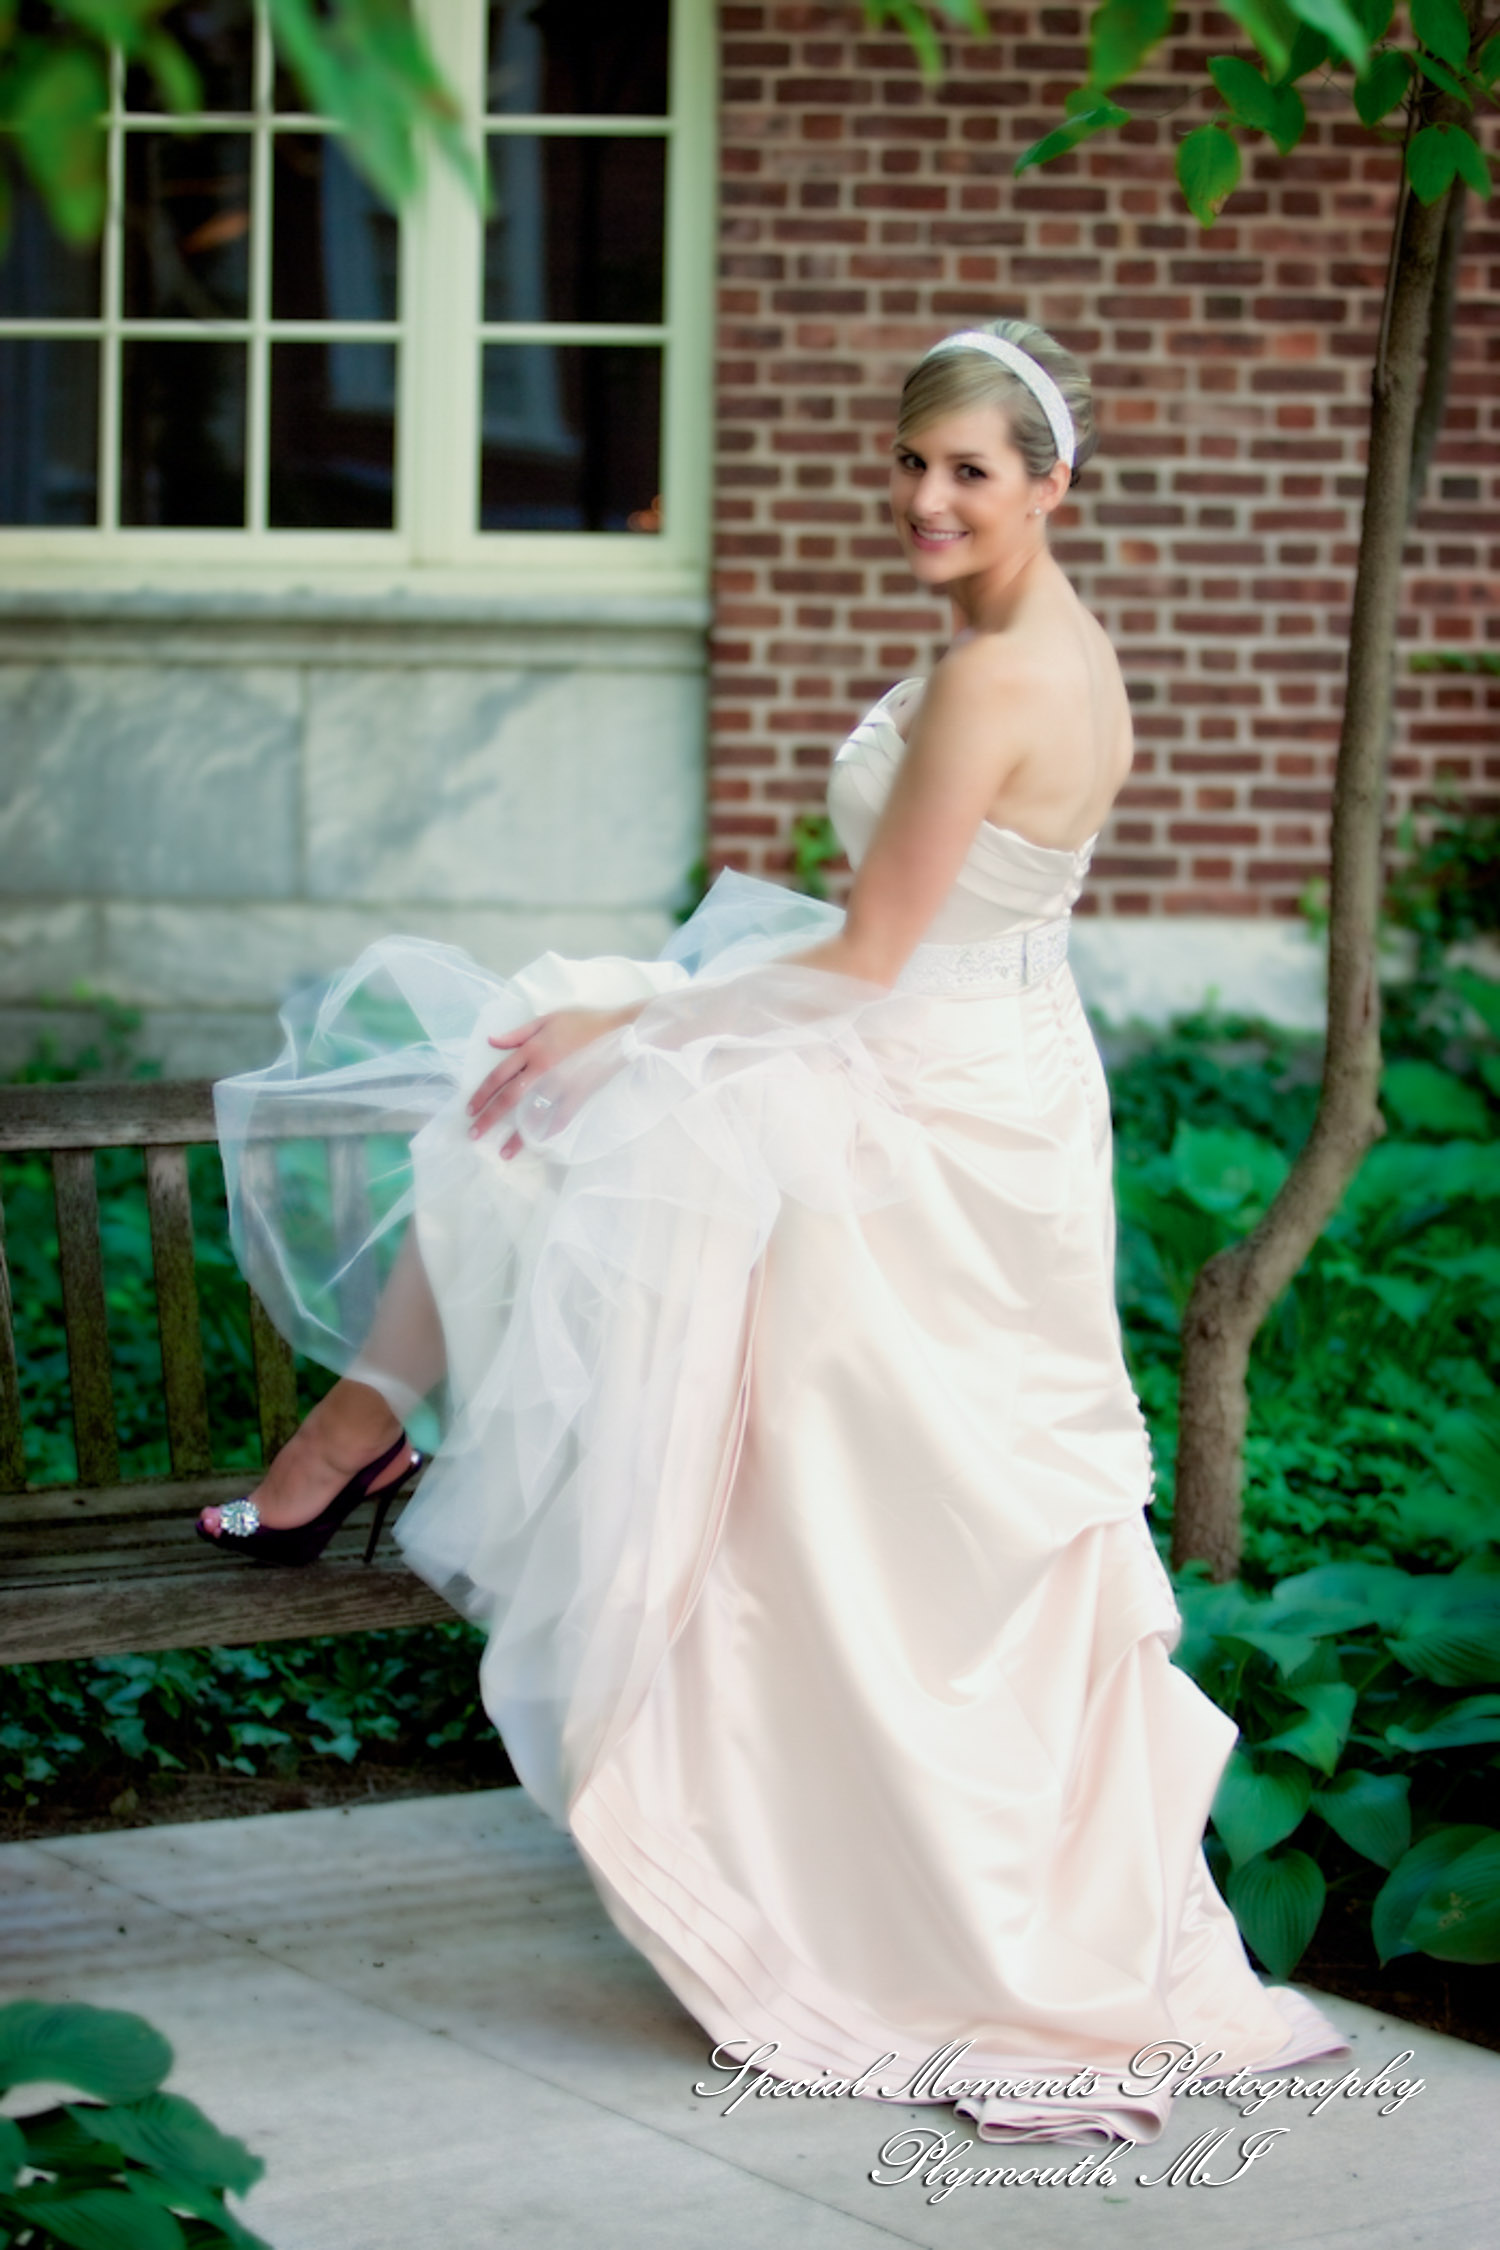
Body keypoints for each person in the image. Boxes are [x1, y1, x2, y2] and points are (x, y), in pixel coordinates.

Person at [200, 319, 1348, 2142]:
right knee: (743, 1356)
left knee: (819, 1449)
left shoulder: (998, 673)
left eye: (971, 470)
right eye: (911, 464)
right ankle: (361, 1430)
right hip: (982, 1061)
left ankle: (363, 1435)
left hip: (926, 1085)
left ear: (1054, 485)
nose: (927, 498)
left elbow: (877, 949)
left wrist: (641, 1021)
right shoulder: (1023, 635)